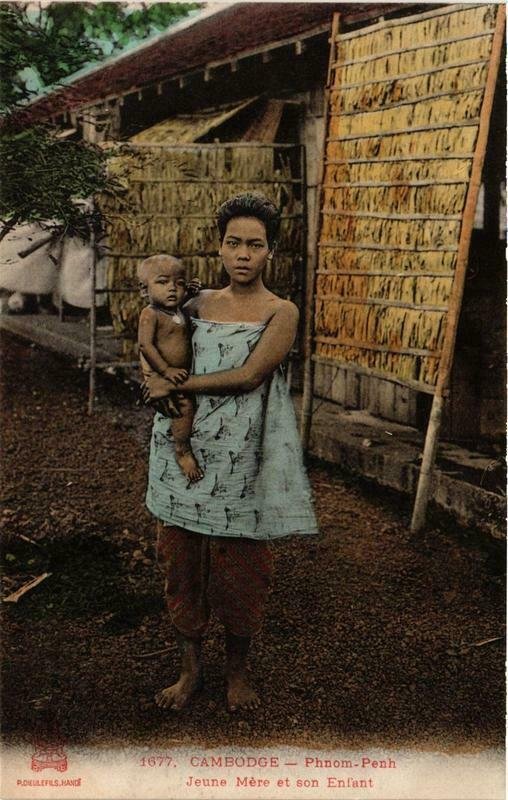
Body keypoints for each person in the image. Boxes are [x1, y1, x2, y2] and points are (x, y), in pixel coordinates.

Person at [143, 193, 318, 712]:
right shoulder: (193, 305)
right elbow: (154, 347)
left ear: (272, 252)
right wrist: (152, 381)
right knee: (181, 561)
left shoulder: (280, 312)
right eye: (233, 242)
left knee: (242, 567)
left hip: (244, 456)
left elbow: (248, 376)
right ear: (219, 248)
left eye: (255, 245)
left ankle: (237, 671)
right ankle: (189, 669)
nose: (243, 254)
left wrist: (182, 382)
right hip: (185, 449)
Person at [137, 255, 203, 483]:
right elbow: (145, 345)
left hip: (180, 374)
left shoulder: (176, 310)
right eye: (163, 282)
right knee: (183, 407)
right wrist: (165, 371)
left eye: (179, 283)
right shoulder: (151, 314)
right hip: (164, 374)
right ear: (144, 290)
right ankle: (182, 451)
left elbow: (184, 308)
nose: (172, 289)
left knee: (188, 407)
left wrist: (191, 293)